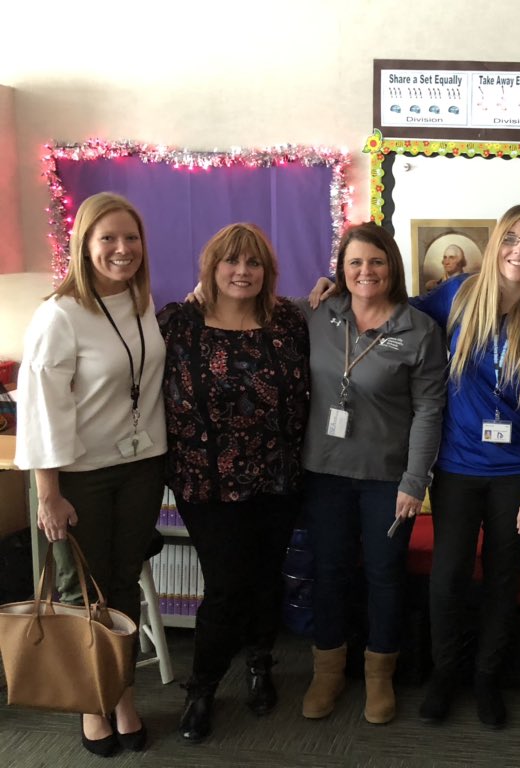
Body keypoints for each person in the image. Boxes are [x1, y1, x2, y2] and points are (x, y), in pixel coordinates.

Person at [15, 192, 167, 757]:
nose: (122, 249)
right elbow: (39, 411)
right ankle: (90, 704)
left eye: (131, 238)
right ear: (84, 243)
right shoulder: (60, 314)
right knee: (84, 594)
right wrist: (47, 493)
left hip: (141, 468)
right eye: (108, 238)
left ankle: (121, 696)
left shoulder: (143, 302)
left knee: (121, 586)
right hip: (80, 477)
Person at [413, 204, 520, 729]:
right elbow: (396, 308)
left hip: (517, 474)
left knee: (505, 579)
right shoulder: (457, 296)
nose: (519, 251)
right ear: (497, 245)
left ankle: (486, 677)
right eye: (511, 239)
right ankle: (445, 673)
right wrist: (334, 286)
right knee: (448, 576)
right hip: (458, 467)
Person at [159, 223, 310, 743]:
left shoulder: (289, 321)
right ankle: (201, 689)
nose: (242, 272)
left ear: (267, 271)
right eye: (231, 262)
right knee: (225, 587)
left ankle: (260, 663)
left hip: (277, 475)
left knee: (267, 576)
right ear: (212, 267)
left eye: (253, 264)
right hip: (208, 482)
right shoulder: (178, 324)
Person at [300, 223, 447, 725]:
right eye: (355, 262)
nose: (366, 271)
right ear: (340, 270)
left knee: (385, 577)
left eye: (377, 262)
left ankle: (380, 676)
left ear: (393, 267)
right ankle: (328, 671)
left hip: (387, 480)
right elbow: (246, 311)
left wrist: (415, 481)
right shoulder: (318, 313)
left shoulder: (419, 331)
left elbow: (430, 411)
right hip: (323, 473)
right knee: (329, 572)